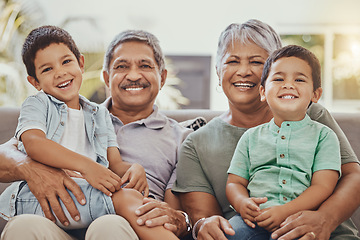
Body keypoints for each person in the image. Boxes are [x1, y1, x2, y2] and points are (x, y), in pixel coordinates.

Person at [172, 19, 360, 240]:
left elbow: (353, 177)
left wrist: (324, 219)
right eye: (232, 61)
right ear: (217, 70)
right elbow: (205, 217)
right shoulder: (196, 143)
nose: (243, 71)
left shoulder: (312, 116)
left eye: (256, 62)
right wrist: (206, 224)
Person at [0, 29, 192, 239]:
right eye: (122, 66)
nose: (134, 75)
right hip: (47, 205)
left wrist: (134, 169)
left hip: (108, 216)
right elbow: (24, 146)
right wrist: (81, 167)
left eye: (144, 65)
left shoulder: (99, 116)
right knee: (23, 226)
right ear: (106, 77)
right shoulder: (39, 106)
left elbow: (115, 164)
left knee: (110, 223)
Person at [226, 45, 341, 239]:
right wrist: (241, 202)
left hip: (300, 221)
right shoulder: (250, 137)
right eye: (278, 79)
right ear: (263, 92)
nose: (288, 85)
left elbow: (323, 186)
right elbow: (234, 182)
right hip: (254, 221)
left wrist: (285, 210)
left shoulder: (324, 136)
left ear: (315, 94)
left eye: (299, 79)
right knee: (229, 233)